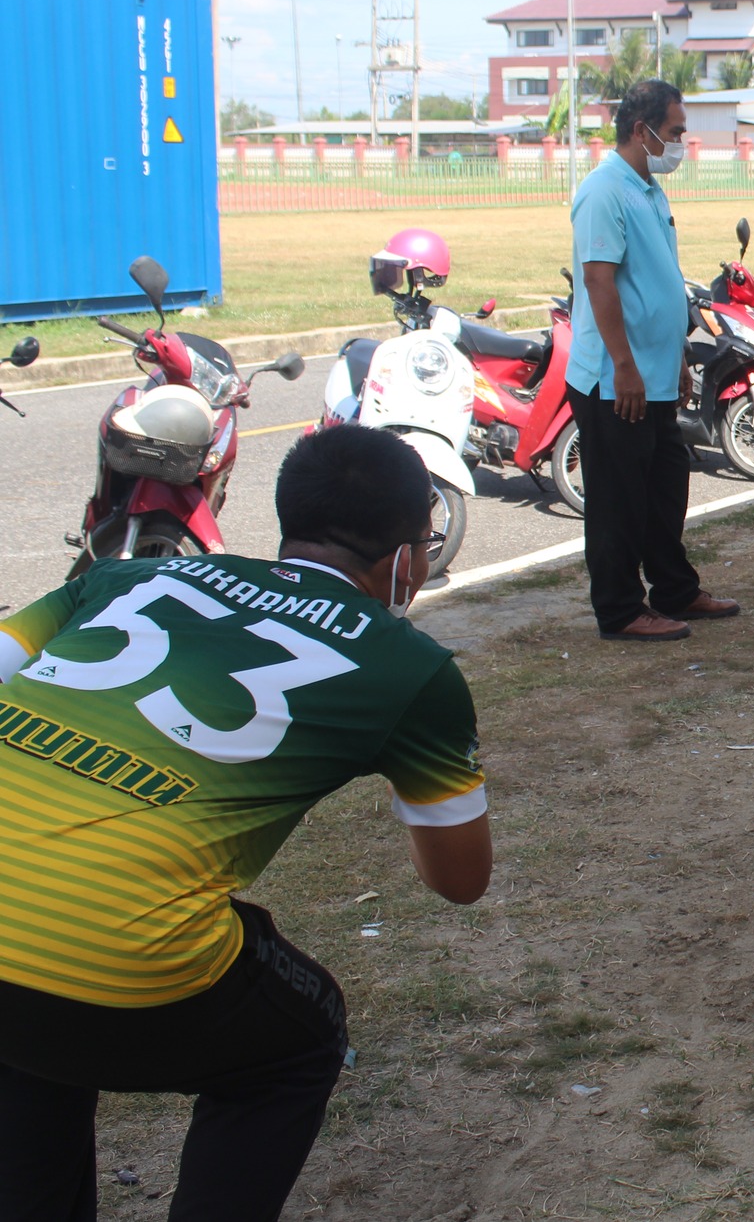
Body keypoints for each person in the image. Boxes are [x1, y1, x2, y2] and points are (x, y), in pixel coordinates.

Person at [0, 425, 492, 1221]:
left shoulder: (114, 580)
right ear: (406, 556)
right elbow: (461, 882)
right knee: (301, 1038)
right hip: (124, 951)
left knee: (26, 1028)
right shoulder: (412, 667)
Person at [567, 78, 739, 642]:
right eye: (674, 132)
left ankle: (675, 590)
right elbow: (599, 282)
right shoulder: (605, 191)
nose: (680, 144)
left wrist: (678, 362)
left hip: (655, 376)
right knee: (619, 500)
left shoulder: (647, 189)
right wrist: (624, 365)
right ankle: (619, 609)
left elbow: (659, 281)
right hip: (616, 380)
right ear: (641, 132)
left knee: (666, 489)